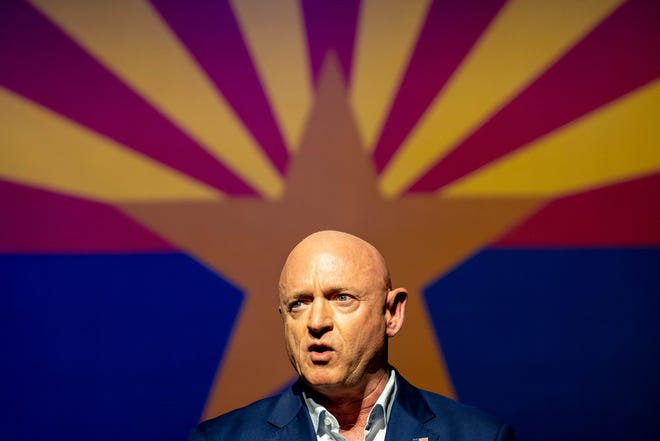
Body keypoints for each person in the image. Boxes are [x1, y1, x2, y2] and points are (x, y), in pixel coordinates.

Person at [190, 230, 514, 441]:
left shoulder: (479, 437)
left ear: (392, 313)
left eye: (342, 298)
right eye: (299, 304)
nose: (316, 322)